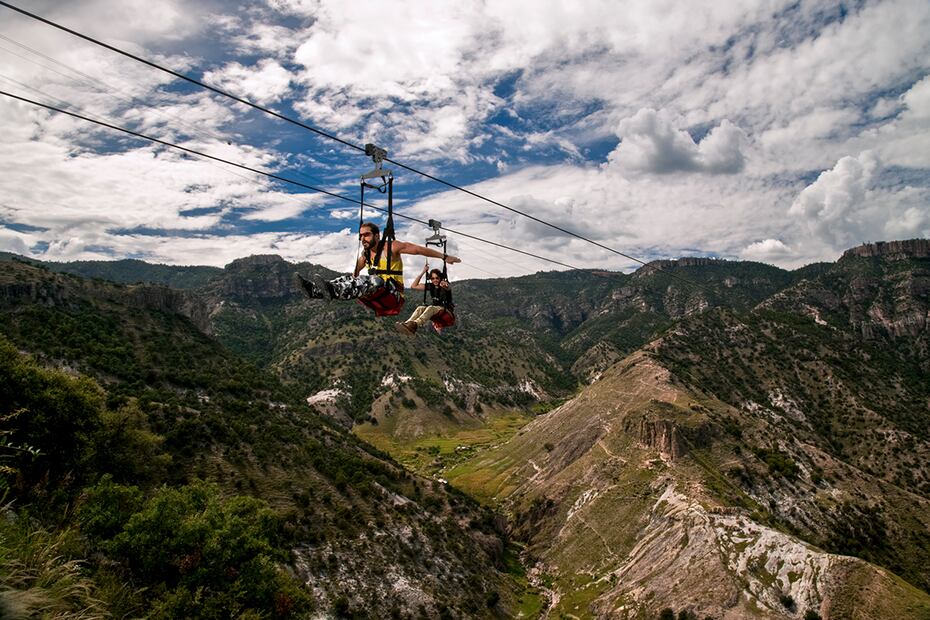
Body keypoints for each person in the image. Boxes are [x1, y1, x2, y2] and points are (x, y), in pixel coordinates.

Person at [296, 222, 460, 307]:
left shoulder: (391, 247)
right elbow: (355, 273)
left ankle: (332, 291)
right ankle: (314, 291)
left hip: (393, 295)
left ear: (376, 235)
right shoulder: (365, 254)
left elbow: (417, 249)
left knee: (375, 280)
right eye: (361, 236)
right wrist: (355, 272)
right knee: (347, 278)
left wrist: (444, 257)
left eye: (366, 235)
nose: (363, 239)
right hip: (377, 292)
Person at [395, 265, 455, 336]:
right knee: (420, 308)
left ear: (440, 278)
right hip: (435, 310)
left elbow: (448, 288)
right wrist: (423, 272)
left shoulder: (444, 286)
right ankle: (408, 323)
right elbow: (413, 286)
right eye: (432, 278)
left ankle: (415, 324)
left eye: (437, 278)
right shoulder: (431, 286)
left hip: (446, 311)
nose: (435, 280)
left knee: (430, 308)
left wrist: (445, 285)